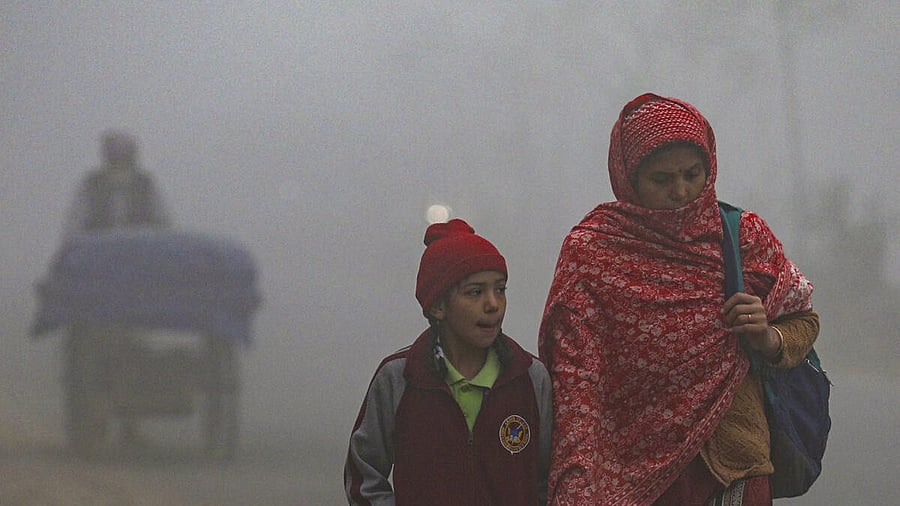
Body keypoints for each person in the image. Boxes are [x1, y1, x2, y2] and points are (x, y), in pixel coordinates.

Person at [538, 93, 819, 505]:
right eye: (662, 179)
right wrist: (575, 480)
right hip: (628, 473)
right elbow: (576, 376)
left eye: (693, 173)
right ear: (629, 179)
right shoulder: (594, 252)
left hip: (734, 464)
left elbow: (804, 320)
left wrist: (767, 338)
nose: (682, 191)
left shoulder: (741, 236)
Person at [344, 218, 553, 505]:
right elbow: (364, 475)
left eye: (500, 289)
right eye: (475, 292)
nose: (493, 304)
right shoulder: (400, 378)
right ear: (438, 306)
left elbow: (553, 480)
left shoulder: (530, 379)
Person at [61, 130, 171, 450]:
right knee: (92, 347)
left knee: (131, 346)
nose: (119, 161)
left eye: (123, 155)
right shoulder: (90, 186)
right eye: (115, 155)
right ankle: (98, 419)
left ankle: (128, 425)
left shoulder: (146, 186)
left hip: (135, 279)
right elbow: (74, 227)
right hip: (97, 278)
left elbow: (163, 224)